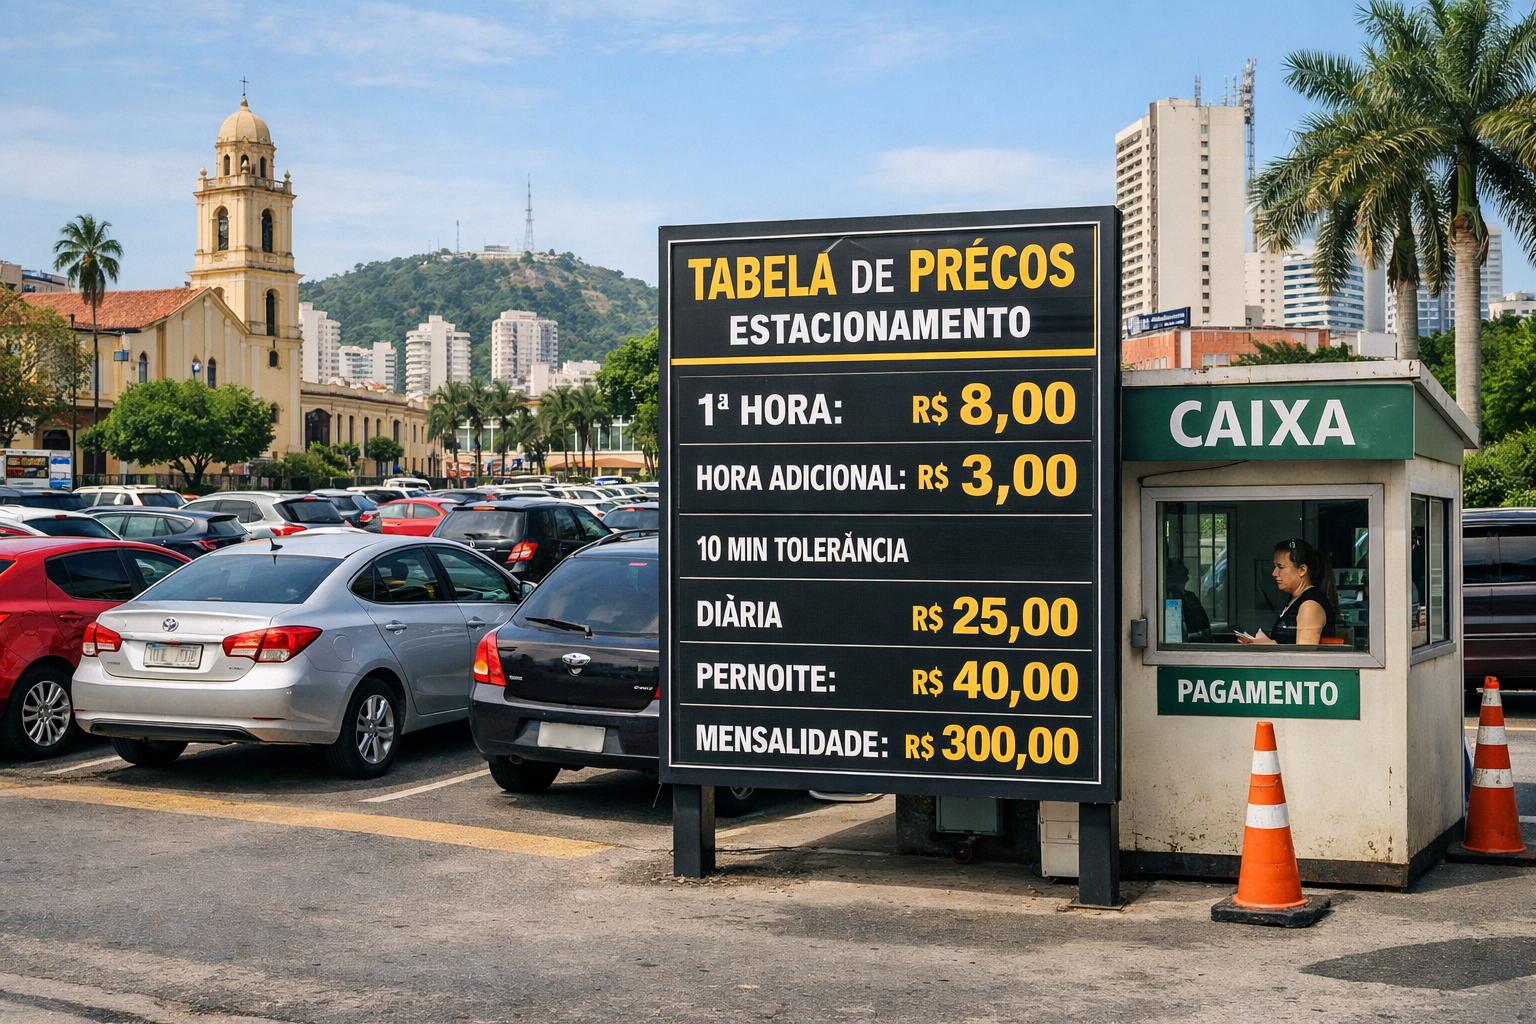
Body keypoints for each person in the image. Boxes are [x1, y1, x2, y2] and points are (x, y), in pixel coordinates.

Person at [1240, 538, 1337, 646]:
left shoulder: (1310, 605)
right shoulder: (1296, 599)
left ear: (1302, 570)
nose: (1274, 573)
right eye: (1275, 566)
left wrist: (1271, 646)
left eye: (1280, 567)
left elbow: (1305, 657)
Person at [1164, 561, 1212, 641]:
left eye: (1186, 575)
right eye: (1181, 576)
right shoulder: (1167, 598)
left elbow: (1203, 623)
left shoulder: (1190, 596)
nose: (1186, 578)